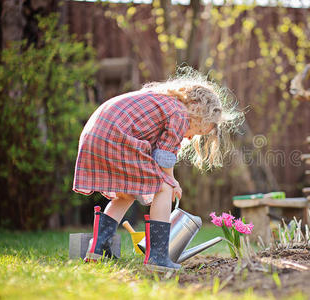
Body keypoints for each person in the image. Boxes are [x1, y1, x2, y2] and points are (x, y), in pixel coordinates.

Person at [73, 68, 242, 271]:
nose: (189, 138)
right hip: (116, 135)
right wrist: (171, 181)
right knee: (163, 187)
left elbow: (155, 153)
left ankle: (97, 249)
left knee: (125, 195)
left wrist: (170, 178)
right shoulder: (180, 113)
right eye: (196, 131)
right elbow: (163, 157)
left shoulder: (163, 101)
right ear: (197, 110)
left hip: (96, 133)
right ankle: (158, 257)